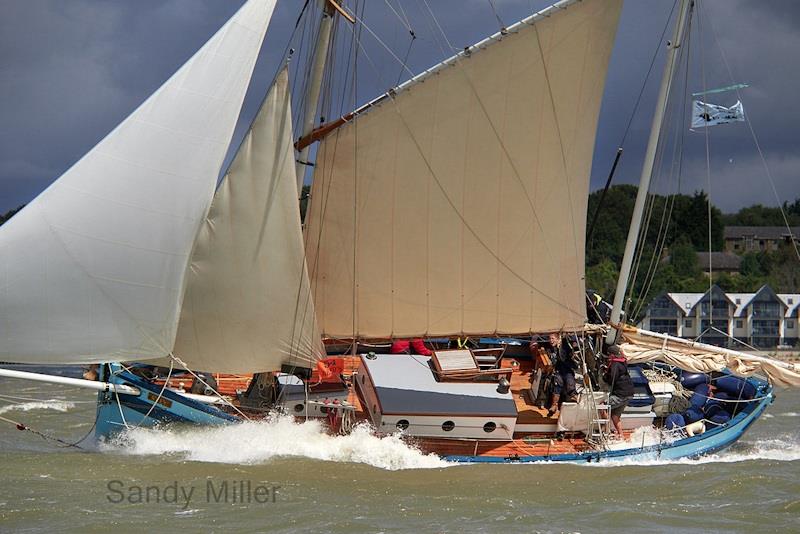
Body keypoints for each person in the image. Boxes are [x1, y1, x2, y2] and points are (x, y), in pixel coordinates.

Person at [604, 344, 634, 435]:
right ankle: (621, 435)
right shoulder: (622, 362)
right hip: (629, 394)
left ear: (612, 355)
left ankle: (606, 431)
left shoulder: (615, 364)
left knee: (603, 406)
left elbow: (612, 378)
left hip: (621, 395)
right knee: (615, 415)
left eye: (609, 355)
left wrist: (605, 376)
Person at [546, 332, 578, 417]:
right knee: (557, 384)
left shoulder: (564, 346)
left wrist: (564, 339)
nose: (551, 340)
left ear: (557, 339)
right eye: (550, 339)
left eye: (552, 338)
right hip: (558, 370)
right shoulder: (550, 349)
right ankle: (554, 405)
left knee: (570, 382)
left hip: (567, 369)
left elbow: (572, 345)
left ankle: (575, 401)